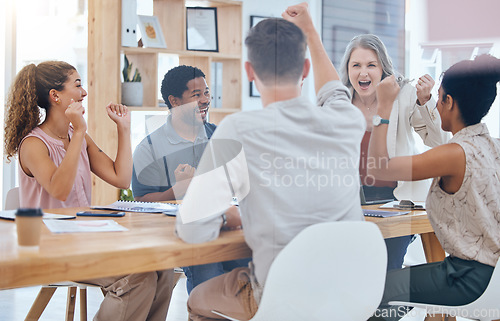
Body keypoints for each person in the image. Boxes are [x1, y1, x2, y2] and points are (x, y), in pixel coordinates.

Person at [175, 3, 366, 320]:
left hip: (284, 296)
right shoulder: (347, 119)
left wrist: (227, 216)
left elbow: (194, 230)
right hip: (350, 292)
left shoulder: (237, 130)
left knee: (197, 298)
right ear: (304, 70)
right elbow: (334, 92)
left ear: (249, 73)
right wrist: (310, 32)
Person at [4, 60, 174, 321]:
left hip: (84, 240)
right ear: (55, 96)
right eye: (78, 85)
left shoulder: (76, 136)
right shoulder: (34, 144)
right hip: (50, 249)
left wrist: (123, 128)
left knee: (162, 267)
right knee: (137, 278)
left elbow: (120, 178)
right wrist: (81, 131)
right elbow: (60, 189)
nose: (84, 93)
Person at [367, 54, 500, 321]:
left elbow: (378, 168)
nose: (436, 105)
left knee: (374, 291)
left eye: (438, 98)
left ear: (449, 102)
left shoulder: (454, 153)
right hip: (493, 276)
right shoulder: (493, 145)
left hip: (468, 279)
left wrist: (383, 108)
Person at [131, 65, 250, 294]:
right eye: (196, 95)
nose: (205, 100)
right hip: (184, 236)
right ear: (174, 101)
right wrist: (178, 190)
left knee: (255, 264)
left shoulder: (221, 137)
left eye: (207, 93)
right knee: (208, 271)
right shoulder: (149, 148)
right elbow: (141, 201)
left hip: (228, 228)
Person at [339, 34, 449, 270]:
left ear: (383, 69)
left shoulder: (404, 95)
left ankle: (395, 305)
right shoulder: (340, 101)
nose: (363, 73)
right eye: (356, 65)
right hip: (350, 201)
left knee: (386, 271)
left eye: (371, 65)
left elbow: (439, 141)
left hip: (396, 202)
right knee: (349, 269)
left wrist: (426, 101)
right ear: (347, 69)